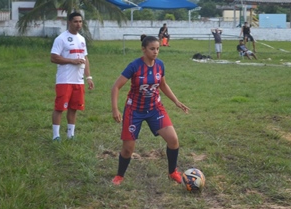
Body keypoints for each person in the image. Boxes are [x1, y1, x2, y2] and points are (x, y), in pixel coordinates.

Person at [111, 36, 189, 185]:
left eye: (158, 49)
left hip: (155, 108)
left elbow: (163, 85)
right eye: (152, 49)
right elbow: (116, 87)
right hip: (134, 110)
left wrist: (176, 101)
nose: (156, 52)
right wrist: (115, 109)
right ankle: (120, 175)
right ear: (144, 49)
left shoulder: (160, 65)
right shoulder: (134, 66)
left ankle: (172, 172)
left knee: (173, 140)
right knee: (128, 149)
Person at [50, 12, 94, 141]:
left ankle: (70, 134)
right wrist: (71, 61)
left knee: (74, 107)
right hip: (64, 80)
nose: (78, 24)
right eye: (75, 21)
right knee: (60, 108)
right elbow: (53, 57)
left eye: (80, 21)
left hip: (78, 81)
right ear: (69, 22)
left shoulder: (81, 39)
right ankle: (56, 136)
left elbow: (85, 58)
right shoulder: (61, 38)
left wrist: (89, 77)